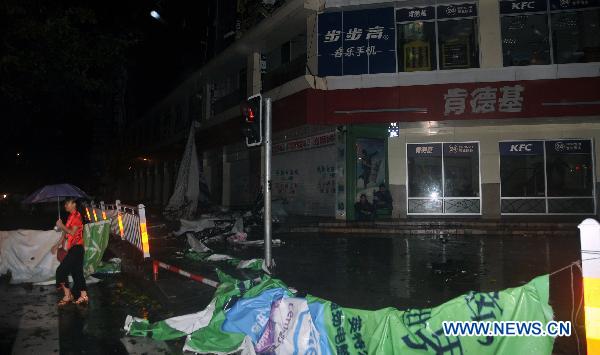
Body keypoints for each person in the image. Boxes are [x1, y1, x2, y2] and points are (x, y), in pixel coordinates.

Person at [52, 198, 88, 306]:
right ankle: (84, 296)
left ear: (74, 204)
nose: (65, 206)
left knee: (60, 271)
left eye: (67, 203)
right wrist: (57, 244)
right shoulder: (70, 217)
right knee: (77, 273)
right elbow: (65, 233)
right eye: (65, 204)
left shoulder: (77, 216)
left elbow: (72, 232)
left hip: (77, 248)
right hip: (74, 248)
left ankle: (68, 296)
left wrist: (61, 225)